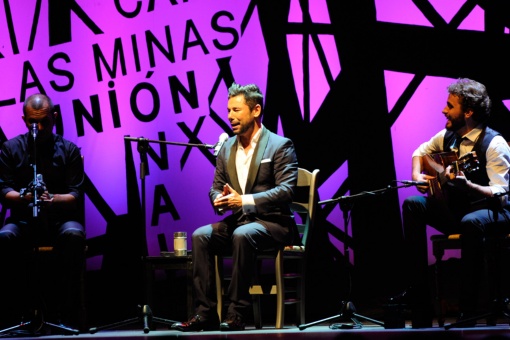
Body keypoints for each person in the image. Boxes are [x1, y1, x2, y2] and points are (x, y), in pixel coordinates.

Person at [171, 83, 299, 332]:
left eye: (236, 110)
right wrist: (219, 199)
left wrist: (244, 200)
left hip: (273, 224)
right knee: (200, 236)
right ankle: (204, 313)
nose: (230, 116)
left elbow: (286, 191)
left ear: (255, 110)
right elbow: (215, 186)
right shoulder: (227, 148)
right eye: (228, 110)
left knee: (242, 235)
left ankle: (236, 314)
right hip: (242, 222)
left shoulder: (280, 145)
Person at [400, 78, 510, 328]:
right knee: (413, 205)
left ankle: (467, 311)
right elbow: (420, 151)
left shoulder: (494, 143)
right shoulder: (448, 135)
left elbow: (500, 193)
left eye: (450, 105)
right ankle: (420, 304)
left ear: (468, 112)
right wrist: (417, 176)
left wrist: (469, 185)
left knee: (471, 222)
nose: (443, 110)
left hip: (493, 212)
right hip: (460, 212)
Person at [0, 93, 86, 330]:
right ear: (24, 120)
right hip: (23, 220)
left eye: (43, 122)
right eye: (32, 122)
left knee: (73, 235)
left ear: (54, 117)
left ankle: (66, 313)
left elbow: (76, 196)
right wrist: (22, 197)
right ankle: (17, 312)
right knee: (5, 237)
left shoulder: (68, 150)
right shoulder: (10, 148)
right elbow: (3, 190)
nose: (37, 127)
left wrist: (52, 200)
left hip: (58, 220)